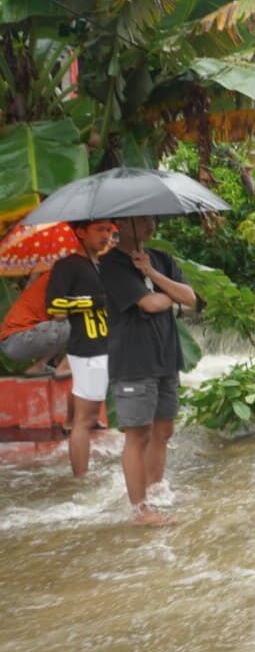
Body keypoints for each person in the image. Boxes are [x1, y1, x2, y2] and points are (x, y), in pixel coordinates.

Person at [99, 214, 196, 525]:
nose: (150, 224)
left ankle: (156, 491)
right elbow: (151, 304)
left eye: (152, 218)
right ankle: (139, 509)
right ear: (122, 225)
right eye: (142, 220)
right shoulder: (112, 264)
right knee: (138, 434)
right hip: (133, 360)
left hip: (166, 356)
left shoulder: (161, 259)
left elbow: (190, 298)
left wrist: (151, 271)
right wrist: (168, 295)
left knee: (163, 430)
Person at [45, 220, 115, 477]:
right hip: (88, 350)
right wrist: (95, 302)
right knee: (84, 421)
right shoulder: (67, 266)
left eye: (109, 230)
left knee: (91, 414)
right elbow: (54, 306)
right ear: (81, 232)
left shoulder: (105, 264)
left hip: (111, 346)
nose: (106, 236)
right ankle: (81, 481)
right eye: (100, 230)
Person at [0, 270, 69, 374]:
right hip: (20, 338)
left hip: (11, 340)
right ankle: (64, 368)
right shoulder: (61, 278)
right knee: (80, 323)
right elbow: (60, 316)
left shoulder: (50, 275)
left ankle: (41, 367)